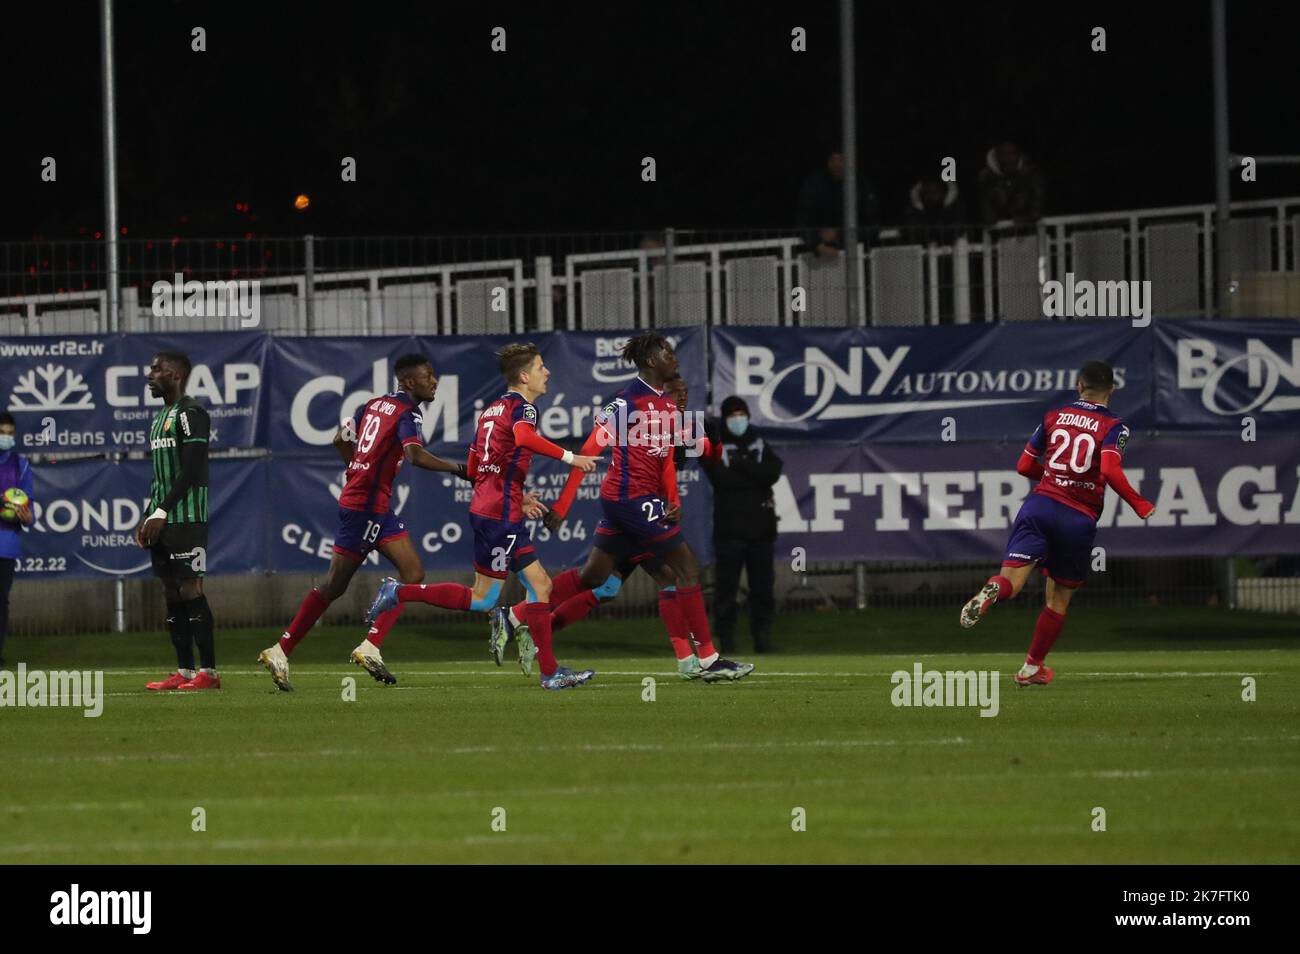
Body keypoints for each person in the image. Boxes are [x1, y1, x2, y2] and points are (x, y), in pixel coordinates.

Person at [363, 342, 601, 691]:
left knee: (504, 593)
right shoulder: (524, 409)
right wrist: (570, 457)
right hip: (501, 516)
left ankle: (400, 592)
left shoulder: (491, 411)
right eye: (540, 367)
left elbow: (477, 466)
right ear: (523, 376)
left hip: (489, 510)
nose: (546, 373)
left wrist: (515, 499)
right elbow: (523, 437)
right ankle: (550, 673)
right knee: (518, 591)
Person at [522, 332, 751, 682]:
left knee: (596, 578)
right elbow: (589, 446)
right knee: (687, 570)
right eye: (666, 353)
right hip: (631, 499)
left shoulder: (667, 408)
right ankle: (706, 658)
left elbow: (697, 450)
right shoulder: (627, 401)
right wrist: (564, 505)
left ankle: (519, 617)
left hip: (632, 503)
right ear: (650, 361)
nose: (673, 357)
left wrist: (716, 442)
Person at [257, 354, 470, 691]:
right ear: (409, 382)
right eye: (428, 375)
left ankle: (369, 645)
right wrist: (460, 470)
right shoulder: (407, 413)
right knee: (334, 585)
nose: (434, 381)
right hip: (366, 508)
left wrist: (357, 469)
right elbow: (414, 455)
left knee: (412, 573)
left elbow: (341, 439)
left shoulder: (373, 404)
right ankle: (282, 649)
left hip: (373, 505)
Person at [960, 360, 1155, 686]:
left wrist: (1055, 477)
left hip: (1039, 505)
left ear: (1079, 387)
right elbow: (1108, 471)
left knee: (1012, 581)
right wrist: (1139, 502)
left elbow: (1024, 465)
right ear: (1113, 390)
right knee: (1058, 599)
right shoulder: (1115, 426)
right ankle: (1032, 667)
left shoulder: (1053, 416)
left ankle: (992, 591)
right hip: (1077, 518)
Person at [138, 353, 220, 691]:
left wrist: (162, 511)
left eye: (156, 369)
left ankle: (210, 674)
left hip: (187, 519)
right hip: (162, 518)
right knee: (171, 593)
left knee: (190, 589)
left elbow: (191, 471)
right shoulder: (160, 419)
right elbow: (162, 477)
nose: (150, 374)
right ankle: (185, 671)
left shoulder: (191, 414)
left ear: (174, 374)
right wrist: (148, 513)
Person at [701, 396, 782, 654]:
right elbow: (721, 479)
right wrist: (754, 475)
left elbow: (773, 473)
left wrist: (738, 464)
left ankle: (763, 638)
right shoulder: (715, 446)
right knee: (726, 591)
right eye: (732, 414)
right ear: (724, 418)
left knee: (763, 590)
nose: (738, 419)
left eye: (741, 413)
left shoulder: (759, 443)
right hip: (729, 531)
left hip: (761, 532)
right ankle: (726, 641)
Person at [795, 149, 880, 259]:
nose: (836, 164)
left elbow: (874, 225)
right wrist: (816, 244)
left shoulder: (862, 184)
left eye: (841, 159)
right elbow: (801, 219)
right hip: (817, 259)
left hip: (857, 257)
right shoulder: (814, 184)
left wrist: (840, 235)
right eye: (832, 159)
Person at [0, 413, 35, 667]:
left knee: (1, 600)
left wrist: (26, 516)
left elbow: (28, 512)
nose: (7, 438)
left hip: (6, 543)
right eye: (3, 432)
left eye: (10, 434)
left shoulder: (21, 465)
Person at [977, 141, 1044, 226]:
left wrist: (1028, 217)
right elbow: (987, 216)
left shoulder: (1031, 174)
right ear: (996, 155)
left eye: (1012, 153)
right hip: (997, 235)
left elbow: (1038, 204)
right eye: (1004, 154)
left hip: (1031, 231)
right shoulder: (986, 178)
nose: (1009, 158)